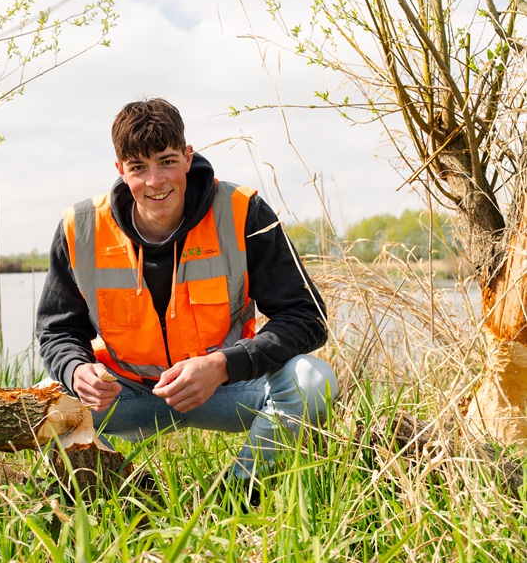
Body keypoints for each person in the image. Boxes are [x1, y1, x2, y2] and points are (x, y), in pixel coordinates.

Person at [35, 98, 337, 500]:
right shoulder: (81, 228)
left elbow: (307, 317)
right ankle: (129, 494)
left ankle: (238, 494)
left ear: (188, 158)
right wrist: (75, 371)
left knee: (313, 381)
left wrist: (222, 365)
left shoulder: (243, 212)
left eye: (167, 161)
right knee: (41, 403)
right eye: (138, 167)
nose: (155, 181)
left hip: (227, 387)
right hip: (124, 392)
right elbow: (57, 330)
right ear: (120, 170)